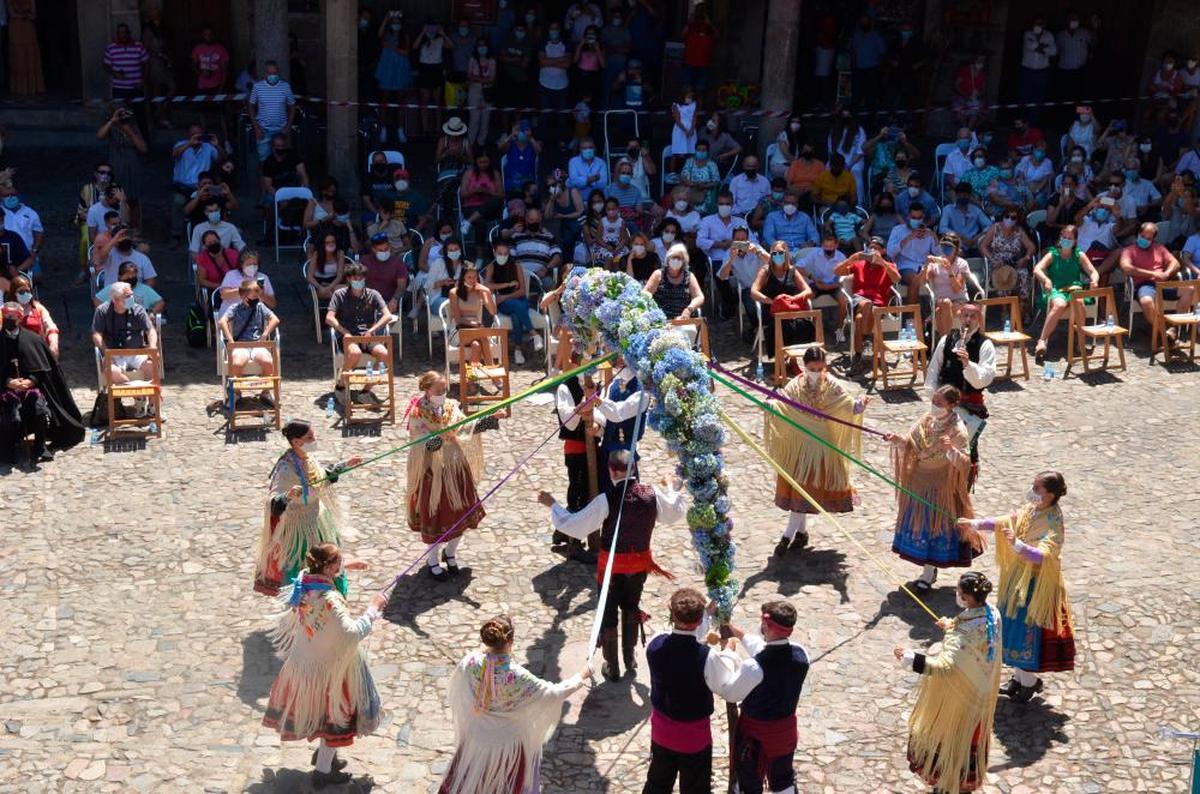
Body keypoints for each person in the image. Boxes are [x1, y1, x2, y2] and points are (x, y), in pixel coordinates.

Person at [539, 448, 687, 680]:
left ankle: (613, 665)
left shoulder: (606, 499)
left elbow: (576, 525)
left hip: (612, 570)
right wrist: (670, 486)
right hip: (639, 567)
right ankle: (629, 658)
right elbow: (673, 510)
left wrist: (553, 505)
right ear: (634, 469)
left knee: (609, 615)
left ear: (611, 471)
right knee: (631, 607)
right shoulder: (652, 494)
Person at [262, 543, 384, 789]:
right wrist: (373, 609)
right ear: (328, 567)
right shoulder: (330, 600)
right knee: (335, 717)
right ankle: (323, 772)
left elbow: (323, 583)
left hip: (307, 660)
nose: (340, 566)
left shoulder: (304, 582)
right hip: (331, 667)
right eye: (338, 562)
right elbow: (350, 633)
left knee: (322, 712)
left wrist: (348, 566)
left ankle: (325, 758)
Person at [958, 471, 1076, 704]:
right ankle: (1019, 679)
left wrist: (1016, 544)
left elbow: (1044, 555)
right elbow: (1006, 521)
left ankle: (1029, 682)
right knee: (1011, 629)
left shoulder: (1053, 522)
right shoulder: (1031, 510)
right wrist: (975, 523)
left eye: (1037, 488)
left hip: (1035, 586)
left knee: (1026, 634)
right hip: (1017, 581)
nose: (1032, 491)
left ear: (1050, 495)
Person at [440, 615, 591, 794]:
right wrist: (581, 676)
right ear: (510, 641)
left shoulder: (470, 662)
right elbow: (554, 693)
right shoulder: (517, 677)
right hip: (507, 747)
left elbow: (461, 684)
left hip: (476, 740)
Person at [893, 571, 1002, 794]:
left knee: (950, 742)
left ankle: (946, 786)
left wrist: (912, 659)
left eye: (959, 592)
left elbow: (945, 667)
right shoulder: (992, 614)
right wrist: (951, 625)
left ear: (968, 598)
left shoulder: (962, 633)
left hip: (959, 700)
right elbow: (972, 642)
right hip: (980, 692)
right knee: (970, 741)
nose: (957, 594)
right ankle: (961, 784)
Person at [642, 588, 751, 794]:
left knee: (658, 782)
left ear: (672, 614)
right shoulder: (707, 657)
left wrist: (706, 614)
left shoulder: (655, 643)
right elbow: (727, 687)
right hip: (693, 737)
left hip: (661, 731)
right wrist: (729, 651)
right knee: (695, 788)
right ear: (700, 621)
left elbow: (686, 635)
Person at [765, 347, 866, 555]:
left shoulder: (832, 386)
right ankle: (799, 533)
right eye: (812, 368)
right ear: (805, 367)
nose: (817, 372)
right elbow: (783, 403)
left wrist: (860, 406)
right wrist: (771, 406)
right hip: (800, 447)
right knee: (800, 494)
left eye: (820, 368)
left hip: (820, 448)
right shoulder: (795, 386)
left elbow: (848, 405)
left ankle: (787, 537)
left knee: (803, 492)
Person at [886, 385, 982, 593]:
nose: (934, 405)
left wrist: (950, 450)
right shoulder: (926, 420)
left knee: (933, 528)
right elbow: (911, 445)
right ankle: (927, 570)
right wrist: (897, 440)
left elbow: (964, 462)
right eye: (934, 401)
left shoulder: (957, 430)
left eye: (939, 403)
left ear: (952, 405)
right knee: (921, 527)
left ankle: (928, 573)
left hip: (939, 488)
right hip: (919, 482)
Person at [255, 421, 364, 596]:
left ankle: (331, 595)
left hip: (318, 520)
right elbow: (274, 503)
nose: (314, 440)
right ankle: (306, 602)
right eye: (310, 437)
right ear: (297, 442)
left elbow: (323, 477)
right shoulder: (286, 468)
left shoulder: (308, 458)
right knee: (303, 564)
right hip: (299, 527)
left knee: (328, 557)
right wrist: (288, 496)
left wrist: (345, 465)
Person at [405, 371, 492, 581]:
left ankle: (450, 552)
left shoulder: (452, 406)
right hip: (432, 471)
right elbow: (423, 442)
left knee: (461, 511)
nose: (443, 393)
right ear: (427, 389)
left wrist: (489, 420)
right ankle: (432, 559)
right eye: (438, 390)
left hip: (455, 466)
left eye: (445, 389)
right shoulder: (417, 414)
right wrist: (443, 437)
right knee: (435, 515)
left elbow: (466, 426)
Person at [722, 600, 810, 794]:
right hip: (785, 734)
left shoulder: (754, 667)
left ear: (767, 626)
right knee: (783, 780)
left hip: (755, 739)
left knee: (749, 782)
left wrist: (728, 654)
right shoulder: (801, 653)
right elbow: (764, 648)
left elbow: (731, 693)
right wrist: (737, 633)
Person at [0, 302, 83, 463]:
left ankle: (39, 448)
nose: (9, 319)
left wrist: (31, 381)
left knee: (38, 407)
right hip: (6, 389)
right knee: (11, 411)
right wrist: (8, 382)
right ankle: (8, 450)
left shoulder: (33, 339)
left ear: (20, 317)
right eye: (6, 316)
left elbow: (45, 370)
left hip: (31, 388)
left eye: (12, 316)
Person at [924, 303, 995, 491]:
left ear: (979, 319)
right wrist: (934, 398)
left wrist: (968, 364)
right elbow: (933, 370)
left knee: (961, 449)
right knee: (938, 445)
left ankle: (959, 490)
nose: (968, 320)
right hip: (943, 405)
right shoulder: (947, 340)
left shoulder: (985, 344)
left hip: (968, 406)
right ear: (958, 316)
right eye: (964, 316)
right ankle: (937, 484)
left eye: (972, 316)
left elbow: (985, 379)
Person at [326, 264, 395, 402]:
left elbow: (387, 315)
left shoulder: (373, 294)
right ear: (349, 279)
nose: (358, 280)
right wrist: (345, 332)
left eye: (361, 277)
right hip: (348, 335)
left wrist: (372, 330)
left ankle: (366, 390)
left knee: (385, 355)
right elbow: (329, 317)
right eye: (355, 277)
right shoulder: (339, 295)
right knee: (355, 353)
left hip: (367, 335)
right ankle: (340, 385)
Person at [1032, 226, 1099, 363]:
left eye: (1069, 238)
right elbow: (1037, 268)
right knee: (1059, 304)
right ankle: (1042, 341)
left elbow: (1093, 272)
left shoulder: (1079, 255)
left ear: (1075, 241)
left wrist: (1094, 280)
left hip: (1074, 289)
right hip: (1057, 289)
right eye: (1064, 237)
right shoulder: (1053, 254)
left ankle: (1080, 342)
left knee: (1079, 302)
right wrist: (1046, 279)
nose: (1066, 240)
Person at [836, 237, 900, 363]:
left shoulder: (889, 266)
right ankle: (867, 338)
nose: (871, 250)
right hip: (858, 300)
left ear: (883, 251)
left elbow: (897, 279)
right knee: (866, 304)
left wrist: (883, 263)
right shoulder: (859, 264)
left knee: (860, 318)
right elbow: (836, 271)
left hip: (879, 305)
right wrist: (851, 258)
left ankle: (859, 355)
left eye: (875, 248)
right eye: (870, 247)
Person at [748, 243, 814, 365]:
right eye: (775, 253)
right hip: (771, 309)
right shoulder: (765, 271)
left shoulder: (792, 271)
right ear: (771, 254)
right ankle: (779, 362)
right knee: (781, 324)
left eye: (781, 253)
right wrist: (771, 301)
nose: (778, 256)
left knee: (801, 323)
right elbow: (753, 292)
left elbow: (808, 290)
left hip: (790, 308)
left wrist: (793, 298)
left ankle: (793, 360)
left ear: (786, 254)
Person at [1119, 222, 1182, 345]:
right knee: (1147, 301)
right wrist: (1152, 274)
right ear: (1138, 234)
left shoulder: (1159, 248)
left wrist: (1167, 273)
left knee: (1189, 290)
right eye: (1143, 237)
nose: (1145, 240)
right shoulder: (1129, 250)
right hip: (1144, 285)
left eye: (1149, 238)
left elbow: (1176, 263)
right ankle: (1165, 334)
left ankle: (1175, 327)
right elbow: (1126, 268)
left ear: (1153, 239)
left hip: (1162, 284)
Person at [218, 280, 279, 405]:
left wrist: (265, 334)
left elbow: (275, 319)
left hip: (257, 343)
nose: (255, 300)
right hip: (241, 344)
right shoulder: (235, 308)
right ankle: (236, 393)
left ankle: (265, 392)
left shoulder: (260, 307)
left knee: (267, 362)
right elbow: (222, 321)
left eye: (257, 298)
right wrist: (230, 340)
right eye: (253, 298)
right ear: (243, 297)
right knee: (237, 363)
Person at [91, 282, 158, 395]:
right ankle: (136, 394)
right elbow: (97, 335)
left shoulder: (138, 310)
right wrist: (106, 352)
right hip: (114, 353)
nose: (131, 298)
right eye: (127, 296)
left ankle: (152, 406)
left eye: (131, 295)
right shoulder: (102, 311)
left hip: (136, 351)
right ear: (115, 299)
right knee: (111, 371)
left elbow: (150, 330)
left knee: (152, 367)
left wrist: (152, 347)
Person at [484, 241, 541, 365]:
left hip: (517, 300)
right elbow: (487, 285)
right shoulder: (491, 267)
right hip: (504, 305)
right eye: (500, 253)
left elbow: (522, 291)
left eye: (505, 254)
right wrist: (507, 285)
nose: (502, 256)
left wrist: (504, 296)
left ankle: (518, 349)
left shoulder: (516, 266)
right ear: (494, 253)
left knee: (516, 313)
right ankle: (533, 334)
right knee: (516, 306)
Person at [95, 104, 149, 234]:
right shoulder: (111, 126)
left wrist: (129, 131)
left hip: (132, 166)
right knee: (114, 197)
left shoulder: (133, 126)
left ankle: (135, 229)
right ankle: (115, 227)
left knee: (133, 199)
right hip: (115, 166)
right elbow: (99, 136)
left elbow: (143, 149)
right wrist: (112, 121)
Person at [978, 210, 1037, 321]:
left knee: (1024, 273)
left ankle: (1022, 308)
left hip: (1015, 262)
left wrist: (1026, 258)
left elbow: (1031, 246)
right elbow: (983, 246)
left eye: (1013, 217)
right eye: (1007, 216)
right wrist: (992, 259)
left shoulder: (1019, 230)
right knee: (1002, 274)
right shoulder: (995, 228)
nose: (1009, 219)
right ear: (1002, 216)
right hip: (998, 262)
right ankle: (1004, 309)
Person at [923, 233, 972, 337]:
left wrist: (949, 270)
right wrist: (926, 264)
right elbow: (925, 279)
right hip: (941, 303)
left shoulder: (962, 264)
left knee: (942, 307)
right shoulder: (935, 263)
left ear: (956, 249)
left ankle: (944, 343)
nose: (946, 249)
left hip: (959, 302)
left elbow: (957, 289)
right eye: (943, 246)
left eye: (949, 247)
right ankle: (946, 344)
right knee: (943, 305)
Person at [887, 203, 938, 301]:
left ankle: (935, 312)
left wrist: (934, 236)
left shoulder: (928, 232)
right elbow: (890, 253)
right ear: (908, 216)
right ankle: (911, 315)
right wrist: (909, 237)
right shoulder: (898, 230)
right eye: (914, 217)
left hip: (924, 266)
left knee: (939, 275)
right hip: (905, 267)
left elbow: (939, 254)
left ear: (923, 218)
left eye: (919, 218)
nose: (916, 220)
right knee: (915, 279)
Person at [247, 60, 296, 162]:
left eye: (274, 73)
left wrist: (288, 127)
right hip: (263, 130)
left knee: (282, 161)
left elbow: (292, 106)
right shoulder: (257, 87)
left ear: (278, 73)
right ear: (265, 73)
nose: (272, 76)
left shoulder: (285, 87)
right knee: (264, 162)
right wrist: (256, 128)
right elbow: (251, 106)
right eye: (270, 73)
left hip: (281, 130)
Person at [643, 243, 704, 321]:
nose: (676, 260)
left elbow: (699, 297)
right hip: (661, 320)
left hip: (684, 319)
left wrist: (689, 309)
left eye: (679, 258)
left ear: (684, 261)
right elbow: (646, 293)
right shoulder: (658, 274)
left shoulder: (689, 276)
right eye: (674, 257)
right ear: (668, 259)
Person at [5, 275, 57, 356]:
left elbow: (50, 325)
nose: (25, 294)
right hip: (18, 354)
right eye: (21, 292)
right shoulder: (7, 312)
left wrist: (53, 342)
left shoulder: (38, 308)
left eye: (27, 291)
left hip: (39, 352)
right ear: (14, 293)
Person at [362, 233, 409, 316]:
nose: (384, 252)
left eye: (386, 249)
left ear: (389, 247)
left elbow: (401, 286)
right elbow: (358, 282)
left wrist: (395, 299)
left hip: (389, 301)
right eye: (380, 250)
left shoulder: (397, 262)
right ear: (373, 249)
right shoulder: (365, 261)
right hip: (368, 300)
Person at [94, 261, 165, 316]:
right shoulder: (112, 288)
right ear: (119, 276)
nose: (130, 279)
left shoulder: (144, 289)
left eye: (133, 277)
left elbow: (160, 302)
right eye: (127, 277)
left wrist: (152, 313)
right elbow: (97, 300)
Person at [218, 249, 277, 315]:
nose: (252, 267)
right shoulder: (231, 275)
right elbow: (224, 295)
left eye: (254, 264)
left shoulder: (263, 277)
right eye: (248, 264)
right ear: (241, 264)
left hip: (255, 317)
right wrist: (244, 290)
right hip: (232, 315)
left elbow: (273, 304)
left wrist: (262, 295)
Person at [761, 190, 819, 255]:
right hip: (781, 251)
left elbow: (814, 236)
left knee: (818, 252)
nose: (790, 206)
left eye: (793, 203)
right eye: (787, 203)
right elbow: (768, 237)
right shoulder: (772, 217)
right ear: (782, 203)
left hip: (802, 250)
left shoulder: (804, 217)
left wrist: (811, 243)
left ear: (797, 205)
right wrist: (779, 247)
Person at [670, 87, 699, 168]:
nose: (690, 99)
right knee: (677, 152)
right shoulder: (676, 105)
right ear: (683, 96)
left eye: (691, 97)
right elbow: (677, 120)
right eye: (688, 97)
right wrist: (685, 130)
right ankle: (673, 172)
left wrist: (692, 129)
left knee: (691, 151)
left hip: (691, 129)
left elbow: (694, 117)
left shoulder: (694, 104)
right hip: (680, 130)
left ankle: (690, 171)